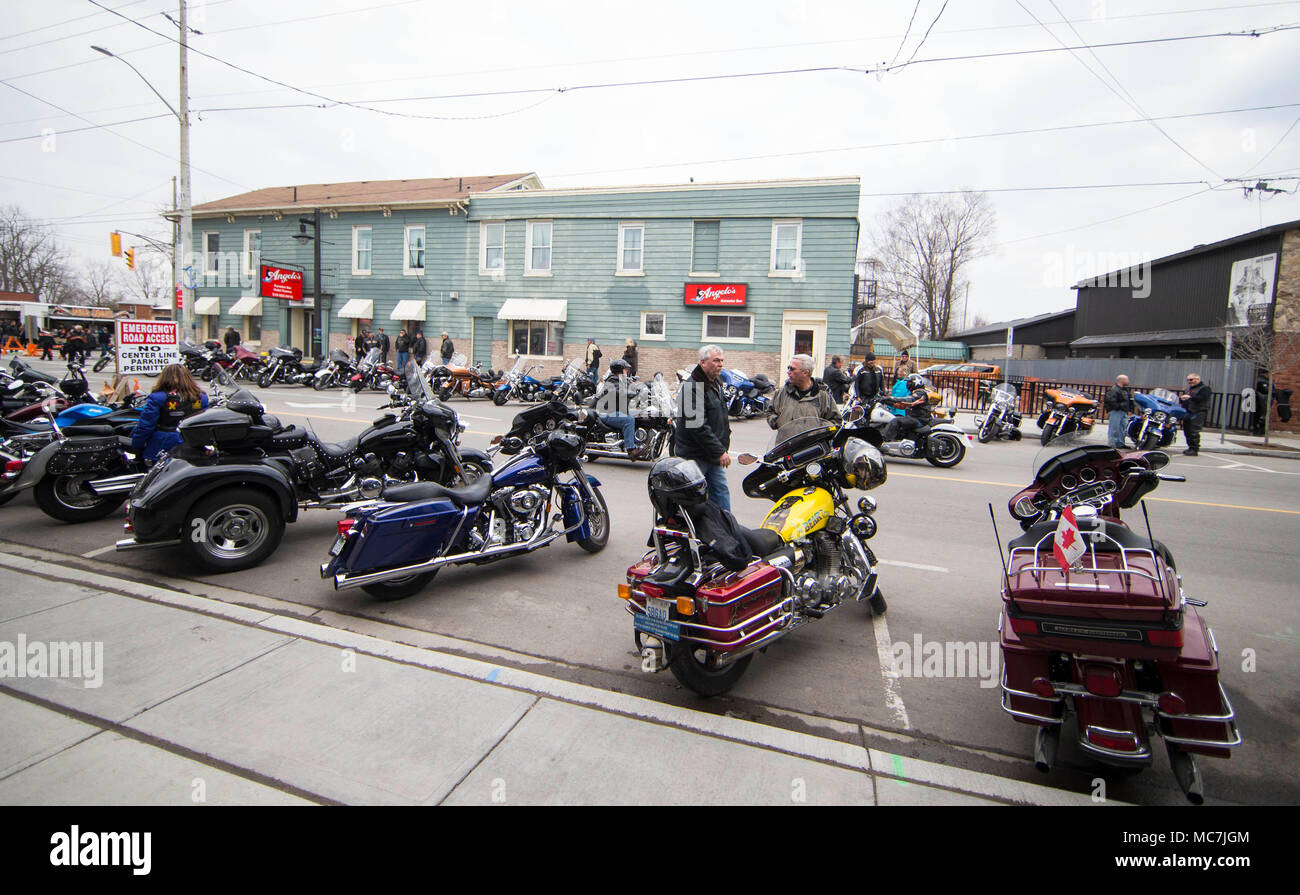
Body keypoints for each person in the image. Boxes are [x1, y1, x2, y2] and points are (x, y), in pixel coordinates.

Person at [674, 344, 732, 510]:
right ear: (703, 363)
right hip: (696, 456)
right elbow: (697, 425)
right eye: (716, 360)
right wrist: (719, 451)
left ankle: (726, 530)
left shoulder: (714, 383)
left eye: (721, 360)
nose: (720, 364)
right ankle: (691, 530)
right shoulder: (693, 386)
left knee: (721, 494)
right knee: (694, 499)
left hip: (712, 455)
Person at [130, 364, 209, 462]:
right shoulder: (202, 398)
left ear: (164, 377)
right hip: (192, 444)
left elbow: (146, 426)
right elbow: (204, 424)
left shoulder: (157, 397)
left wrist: (136, 447)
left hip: (163, 443)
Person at [770, 354, 840, 431]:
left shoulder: (823, 395)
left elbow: (835, 421)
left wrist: (819, 431)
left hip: (812, 442)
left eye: (792, 369)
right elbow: (770, 412)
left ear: (805, 372)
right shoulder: (781, 392)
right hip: (786, 442)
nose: (788, 372)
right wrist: (777, 422)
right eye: (788, 368)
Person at [594, 359, 645, 460]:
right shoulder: (612, 380)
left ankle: (639, 439)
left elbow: (632, 388)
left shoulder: (622, 380)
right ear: (619, 370)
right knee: (629, 420)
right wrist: (632, 393)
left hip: (618, 410)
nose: (627, 372)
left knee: (641, 414)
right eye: (625, 369)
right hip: (608, 413)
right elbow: (619, 392)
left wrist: (645, 389)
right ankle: (631, 450)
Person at [883, 373, 932, 442]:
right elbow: (903, 406)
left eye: (909, 382)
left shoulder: (920, 393)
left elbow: (909, 400)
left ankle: (884, 441)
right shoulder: (915, 392)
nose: (907, 384)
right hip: (914, 418)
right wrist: (887, 402)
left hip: (919, 419)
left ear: (916, 382)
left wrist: (891, 398)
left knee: (896, 421)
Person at [1178, 373, 1212, 456]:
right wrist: (1182, 400)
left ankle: (1194, 448)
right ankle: (1190, 447)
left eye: (1191, 379)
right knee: (1187, 430)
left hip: (1198, 412)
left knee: (1193, 431)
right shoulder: (1190, 389)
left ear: (1197, 379)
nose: (1189, 382)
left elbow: (1202, 398)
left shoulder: (1205, 389)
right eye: (1188, 380)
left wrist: (1190, 398)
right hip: (1189, 412)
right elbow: (1187, 400)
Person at [1104, 374, 1133, 449]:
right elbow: (1110, 400)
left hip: (1123, 411)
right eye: (1127, 379)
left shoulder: (1124, 389)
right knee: (1114, 428)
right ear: (1122, 380)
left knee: (1122, 428)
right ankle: (1112, 444)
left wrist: (1128, 409)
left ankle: (1120, 443)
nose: (1128, 381)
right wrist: (1119, 406)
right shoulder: (1114, 389)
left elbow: (1128, 400)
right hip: (1116, 411)